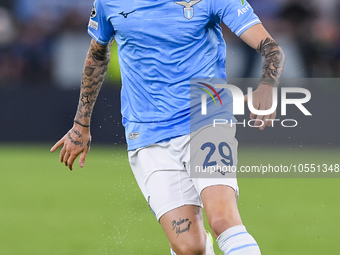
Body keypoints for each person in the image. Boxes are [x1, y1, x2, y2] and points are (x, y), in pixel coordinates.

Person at [51, 0, 285, 254]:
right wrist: (80, 124)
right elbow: (98, 54)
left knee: (222, 221)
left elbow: (270, 46)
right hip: (148, 134)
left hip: (207, 119)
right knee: (189, 247)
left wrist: (267, 86)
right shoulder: (109, 2)